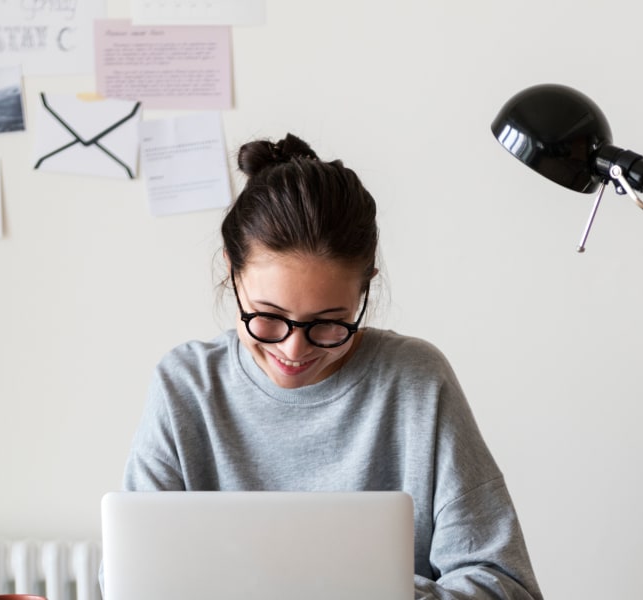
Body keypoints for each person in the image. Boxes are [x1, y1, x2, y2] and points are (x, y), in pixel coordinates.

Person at [121, 133, 543, 599]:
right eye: (267, 317)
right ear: (231, 271)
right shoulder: (185, 386)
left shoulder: (416, 381)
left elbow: (507, 584)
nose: (295, 350)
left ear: (364, 292)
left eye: (328, 324)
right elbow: (132, 576)